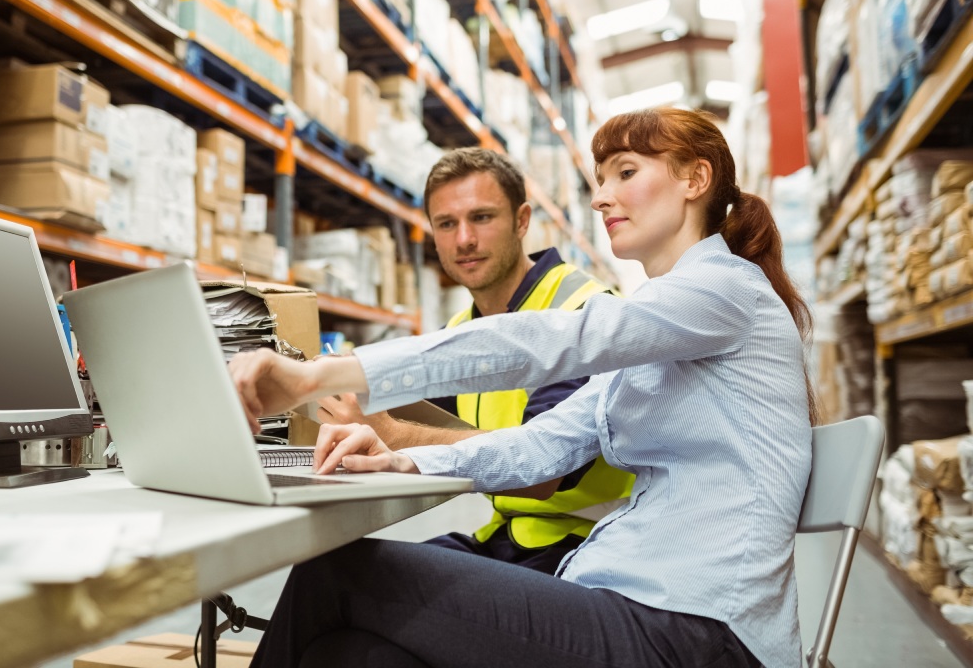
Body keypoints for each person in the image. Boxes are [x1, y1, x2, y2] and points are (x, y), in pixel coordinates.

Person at [231, 107, 817, 668]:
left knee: (333, 573)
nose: (600, 196)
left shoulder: (723, 290)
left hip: (698, 631)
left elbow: (541, 341)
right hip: (625, 599)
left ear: (696, 179)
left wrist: (318, 374)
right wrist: (402, 460)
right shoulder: (660, 331)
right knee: (354, 658)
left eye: (626, 173)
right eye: (600, 179)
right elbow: (541, 445)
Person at [317, 146, 633, 574]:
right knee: (333, 571)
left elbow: (541, 475)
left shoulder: (582, 312)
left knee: (349, 586)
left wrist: (391, 433)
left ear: (522, 221)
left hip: (584, 548)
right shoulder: (461, 328)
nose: (464, 239)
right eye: (447, 224)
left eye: (481, 217)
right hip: (506, 536)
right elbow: (421, 418)